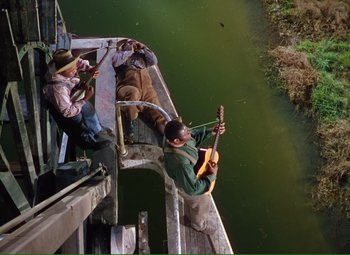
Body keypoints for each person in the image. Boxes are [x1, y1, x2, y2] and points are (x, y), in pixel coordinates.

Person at [163, 119, 225, 235]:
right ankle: (199, 225)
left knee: (191, 204)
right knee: (201, 203)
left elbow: (193, 137)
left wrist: (212, 131)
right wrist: (212, 175)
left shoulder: (180, 139)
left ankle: (189, 215)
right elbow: (193, 189)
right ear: (176, 141)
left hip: (189, 175)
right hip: (187, 183)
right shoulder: (181, 163)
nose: (189, 132)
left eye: (187, 129)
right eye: (186, 132)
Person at [43, 49, 112, 150]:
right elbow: (67, 111)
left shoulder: (68, 68)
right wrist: (85, 98)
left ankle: (97, 130)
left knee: (88, 109)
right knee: (77, 122)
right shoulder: (57, 89)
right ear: (61, 71)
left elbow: (79, 63)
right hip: (63, 109)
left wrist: (89, 69)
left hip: (72, 95)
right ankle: (90, 143)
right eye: (72, 70)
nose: (75, 70)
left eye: (74, 67)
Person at [112, 38, 167, 142]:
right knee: (133, 93)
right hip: (127, 86)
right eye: (129, 44)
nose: (133, 45)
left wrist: (143, 47)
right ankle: (130, 122)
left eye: (133, 43)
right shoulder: (120, 56)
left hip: (147, 91)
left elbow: (154, 61)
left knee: (160, 117)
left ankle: (170, 139)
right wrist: (129, 51)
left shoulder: (142, 57)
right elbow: (115, 62)